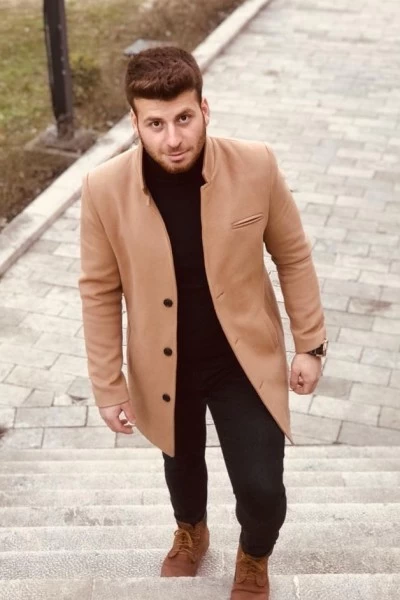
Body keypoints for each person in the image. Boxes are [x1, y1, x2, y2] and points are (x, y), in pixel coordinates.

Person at [78, 46, 327, 600]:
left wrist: (310, 344)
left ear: (205, 109)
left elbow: (293, 255)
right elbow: (98, 290)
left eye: (184, 118)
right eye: (156, 124)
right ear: (135, 122)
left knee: (263, 489)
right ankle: (191, 530)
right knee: (182, 465)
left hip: (242, 360)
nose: (173, 138)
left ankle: (254, 555)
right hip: (163, 364)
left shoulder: (256, 164)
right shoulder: (102, 188)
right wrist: (108, 385)